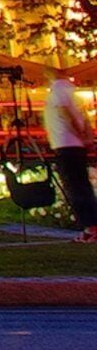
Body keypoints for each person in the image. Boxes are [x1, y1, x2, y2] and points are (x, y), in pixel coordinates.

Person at [46, 69, 97, 241]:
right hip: (75, 145)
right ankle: (91, 227)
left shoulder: (58, 91)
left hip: (65, 144)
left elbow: (64, 113)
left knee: (75, 187)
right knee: (82, 185)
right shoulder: (72, 92)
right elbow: (83, 117)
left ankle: (91, 226)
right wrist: (87, 137)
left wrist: (80, 134)